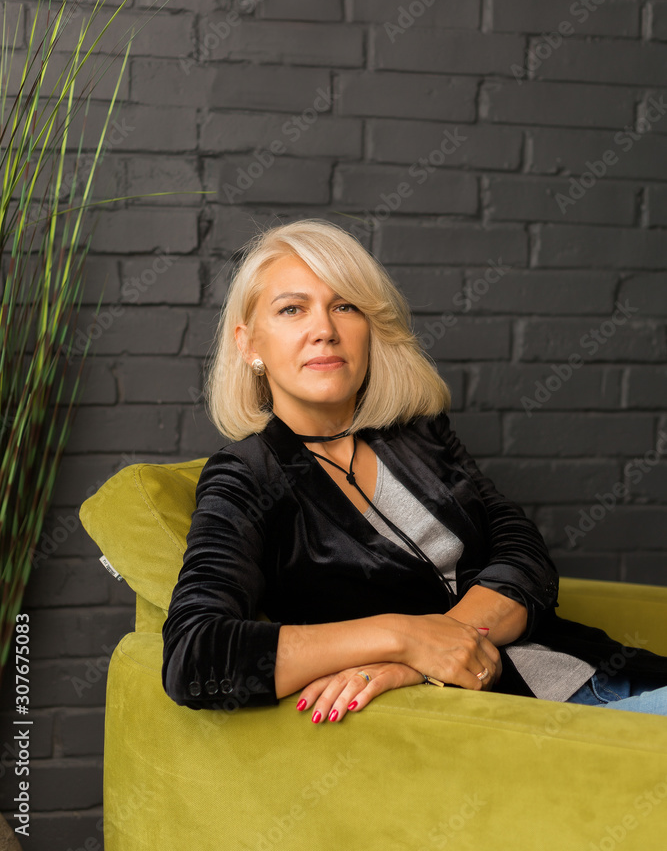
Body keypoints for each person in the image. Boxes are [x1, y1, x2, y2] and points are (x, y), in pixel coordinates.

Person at [162, 218, 667, 722]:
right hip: (522, 723)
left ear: (368, 328)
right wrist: (402, 638)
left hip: (602, 673)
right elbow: (195, 655)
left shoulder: (418, 433)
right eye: (292, 309)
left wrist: (420, 660)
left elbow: (525, 556)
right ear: (249, 344)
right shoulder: (246, 476)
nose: (325, 331)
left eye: (345, 306)